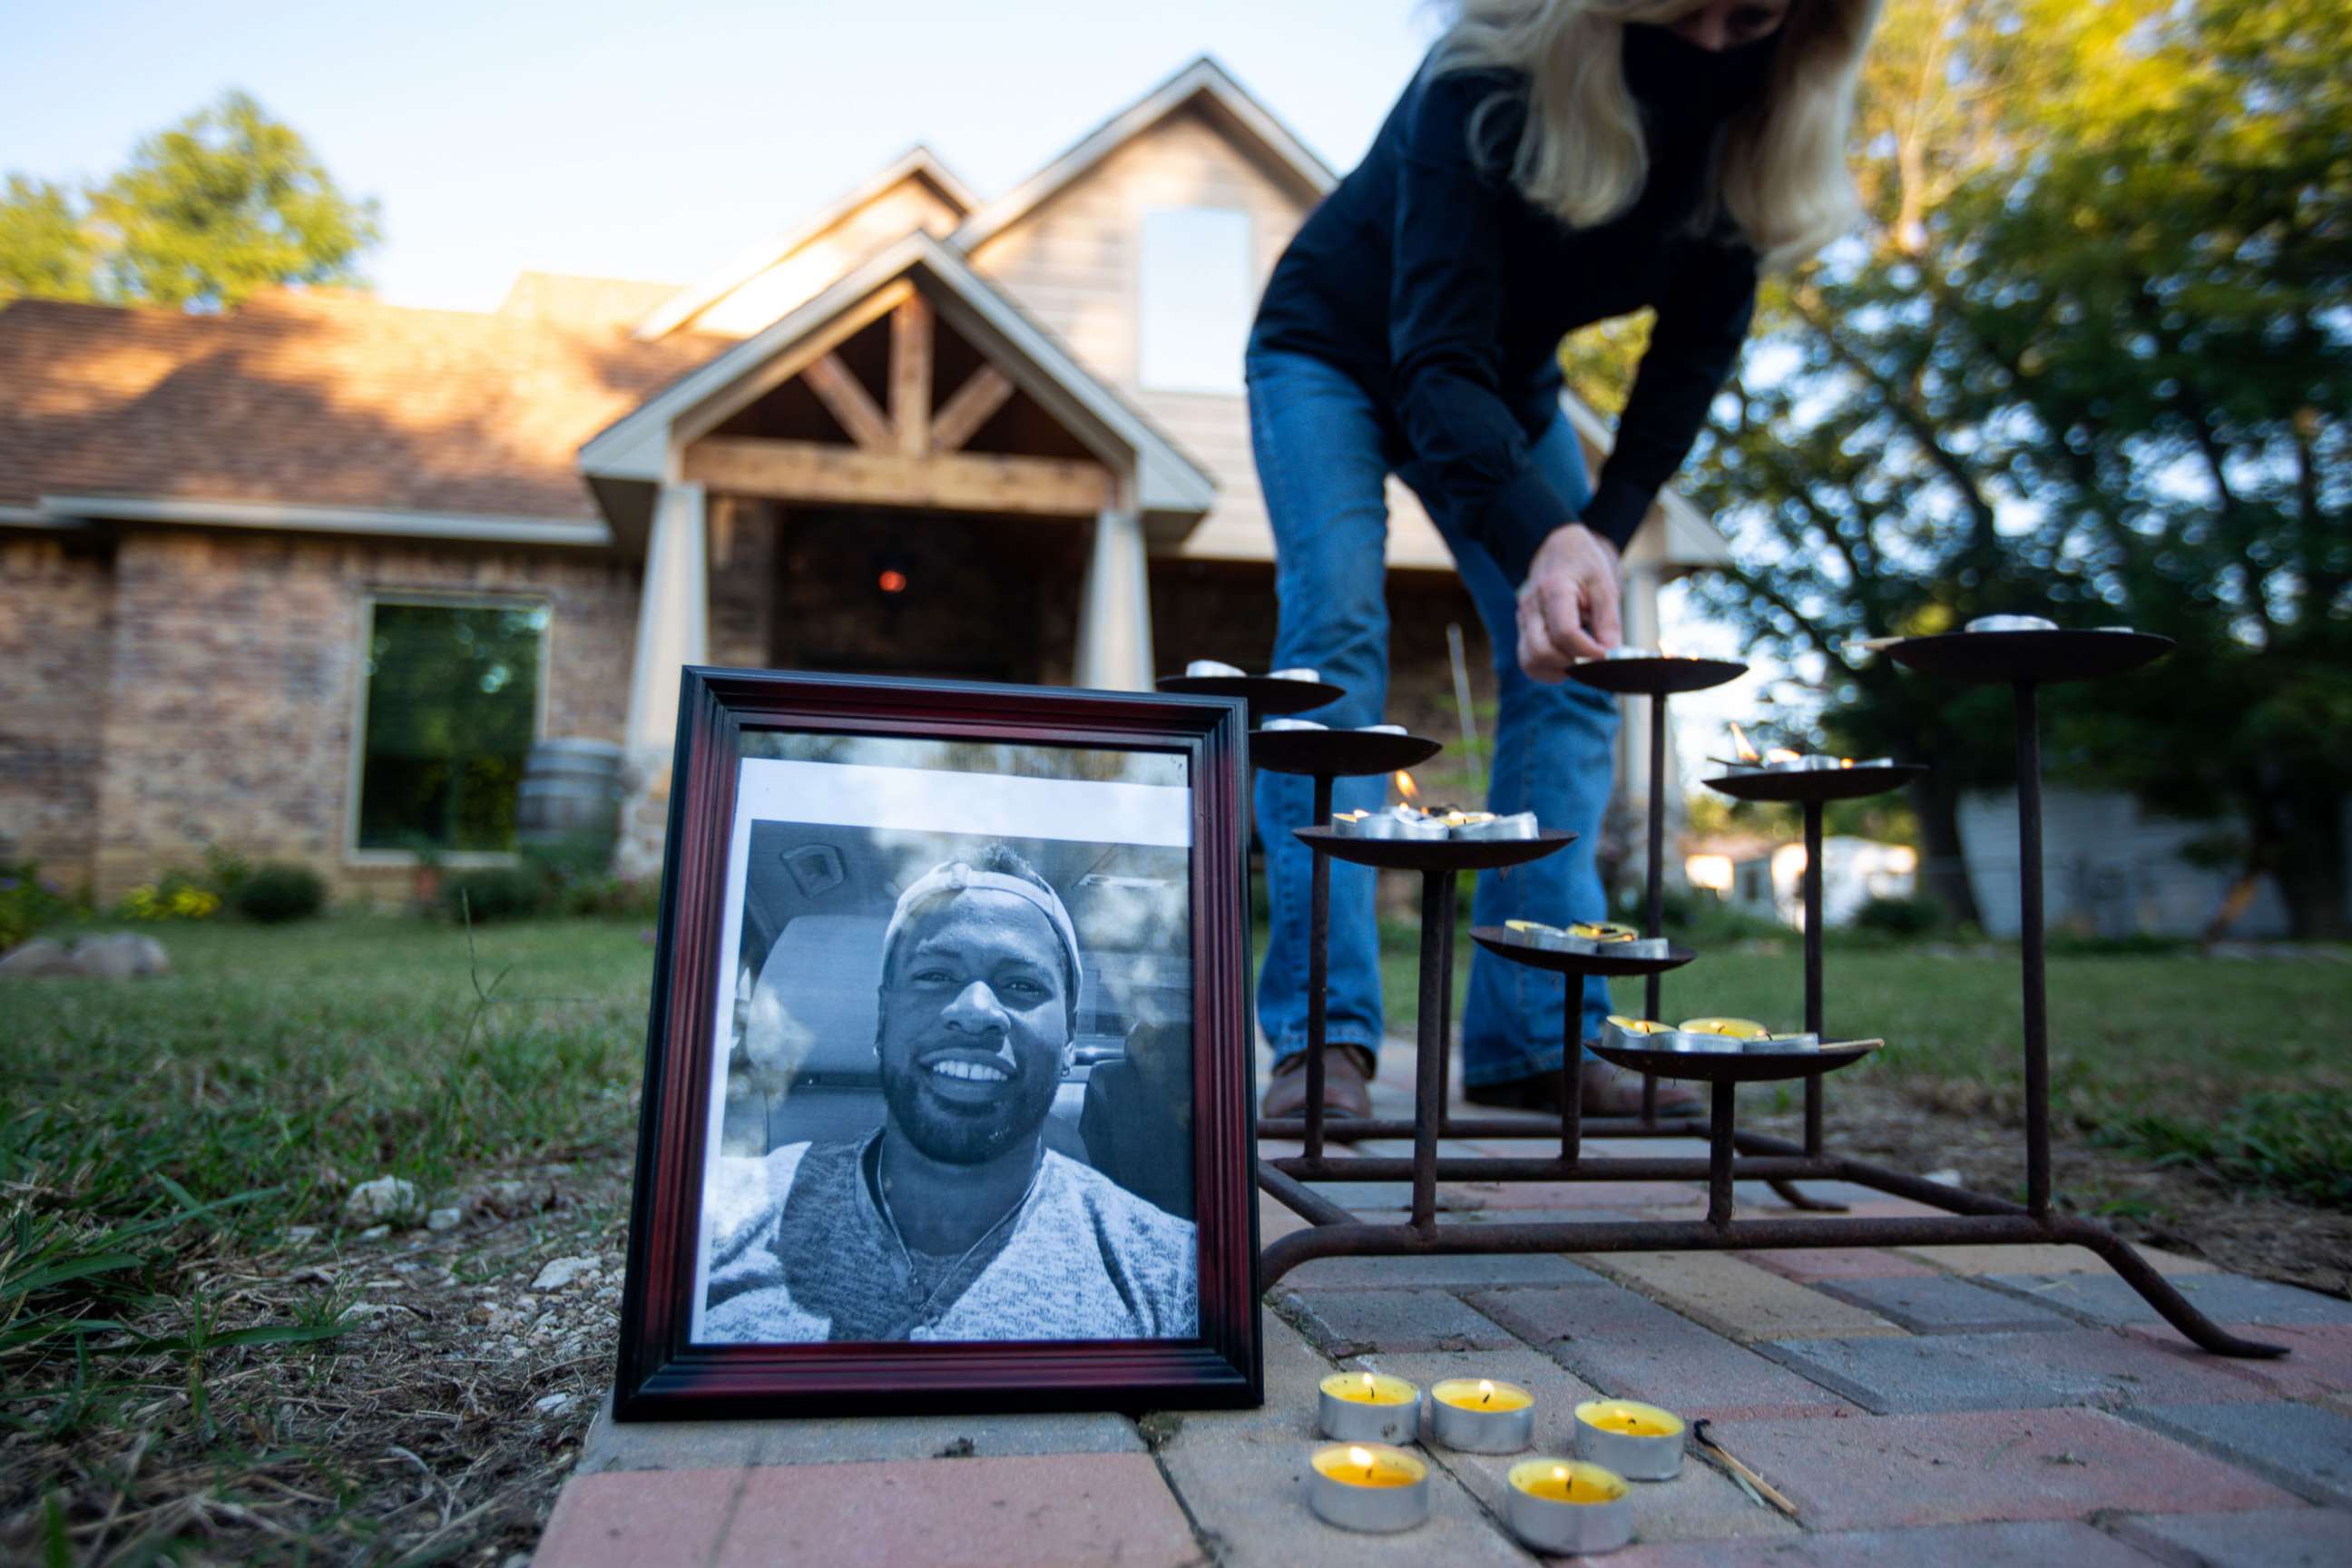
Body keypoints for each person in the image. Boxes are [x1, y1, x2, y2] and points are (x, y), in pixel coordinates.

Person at [1250, 0, 1882, 1122]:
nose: (1708, 46)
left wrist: (1598, 529)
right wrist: (1541, 528)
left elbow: (1687, 366)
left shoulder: (1749, 152)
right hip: (1331, 352)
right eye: (1680, 9)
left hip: (1502, 387)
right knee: (1333, 649)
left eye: (1748, 17)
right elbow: (1432, 353)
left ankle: (1537, 1040)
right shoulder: (1487, 75)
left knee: (1580, 665)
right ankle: (1324, 1044)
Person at [701, 847, 1198, 1343]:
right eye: (935, 976)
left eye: (1022, 985)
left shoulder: (1170, 1273)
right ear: (882, 1018)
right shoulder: (719, 1219)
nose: (976, 1010)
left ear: (1069, 1037)